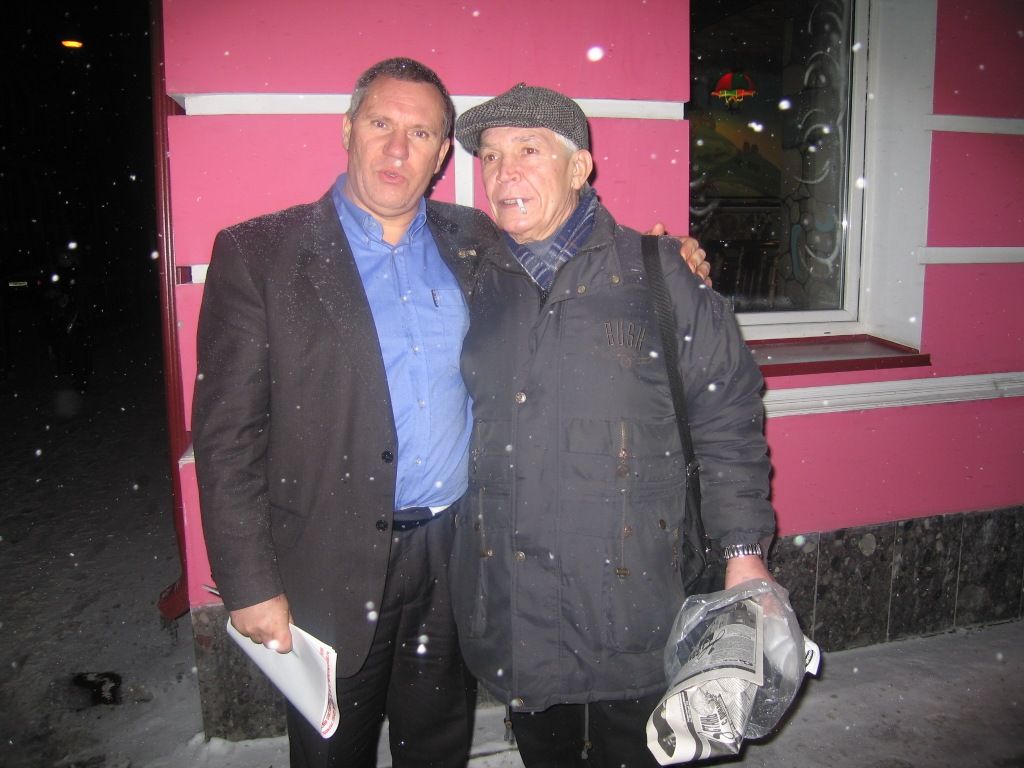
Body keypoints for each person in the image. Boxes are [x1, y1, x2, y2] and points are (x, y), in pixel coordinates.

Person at [192, 59, 708, 767]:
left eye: (420, 133)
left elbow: (573, 252)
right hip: (329, 560)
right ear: (347, 129)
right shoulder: (260, 254)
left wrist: (669, 261)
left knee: (437, 744)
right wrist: (250, 584)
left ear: (440, 155)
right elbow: (227, 436)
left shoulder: (476, 240)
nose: (396, 148)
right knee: (331, 752)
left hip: (457, 553)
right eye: (381, 123)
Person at [449, 83, 777, 767]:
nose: (503, 172)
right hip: (518, 615)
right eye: (491, 156)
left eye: (528, 151)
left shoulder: (660, 276)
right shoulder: (472, 281)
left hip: (637, 607)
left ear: (580, 167)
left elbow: (728, 415)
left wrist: (743, 553)